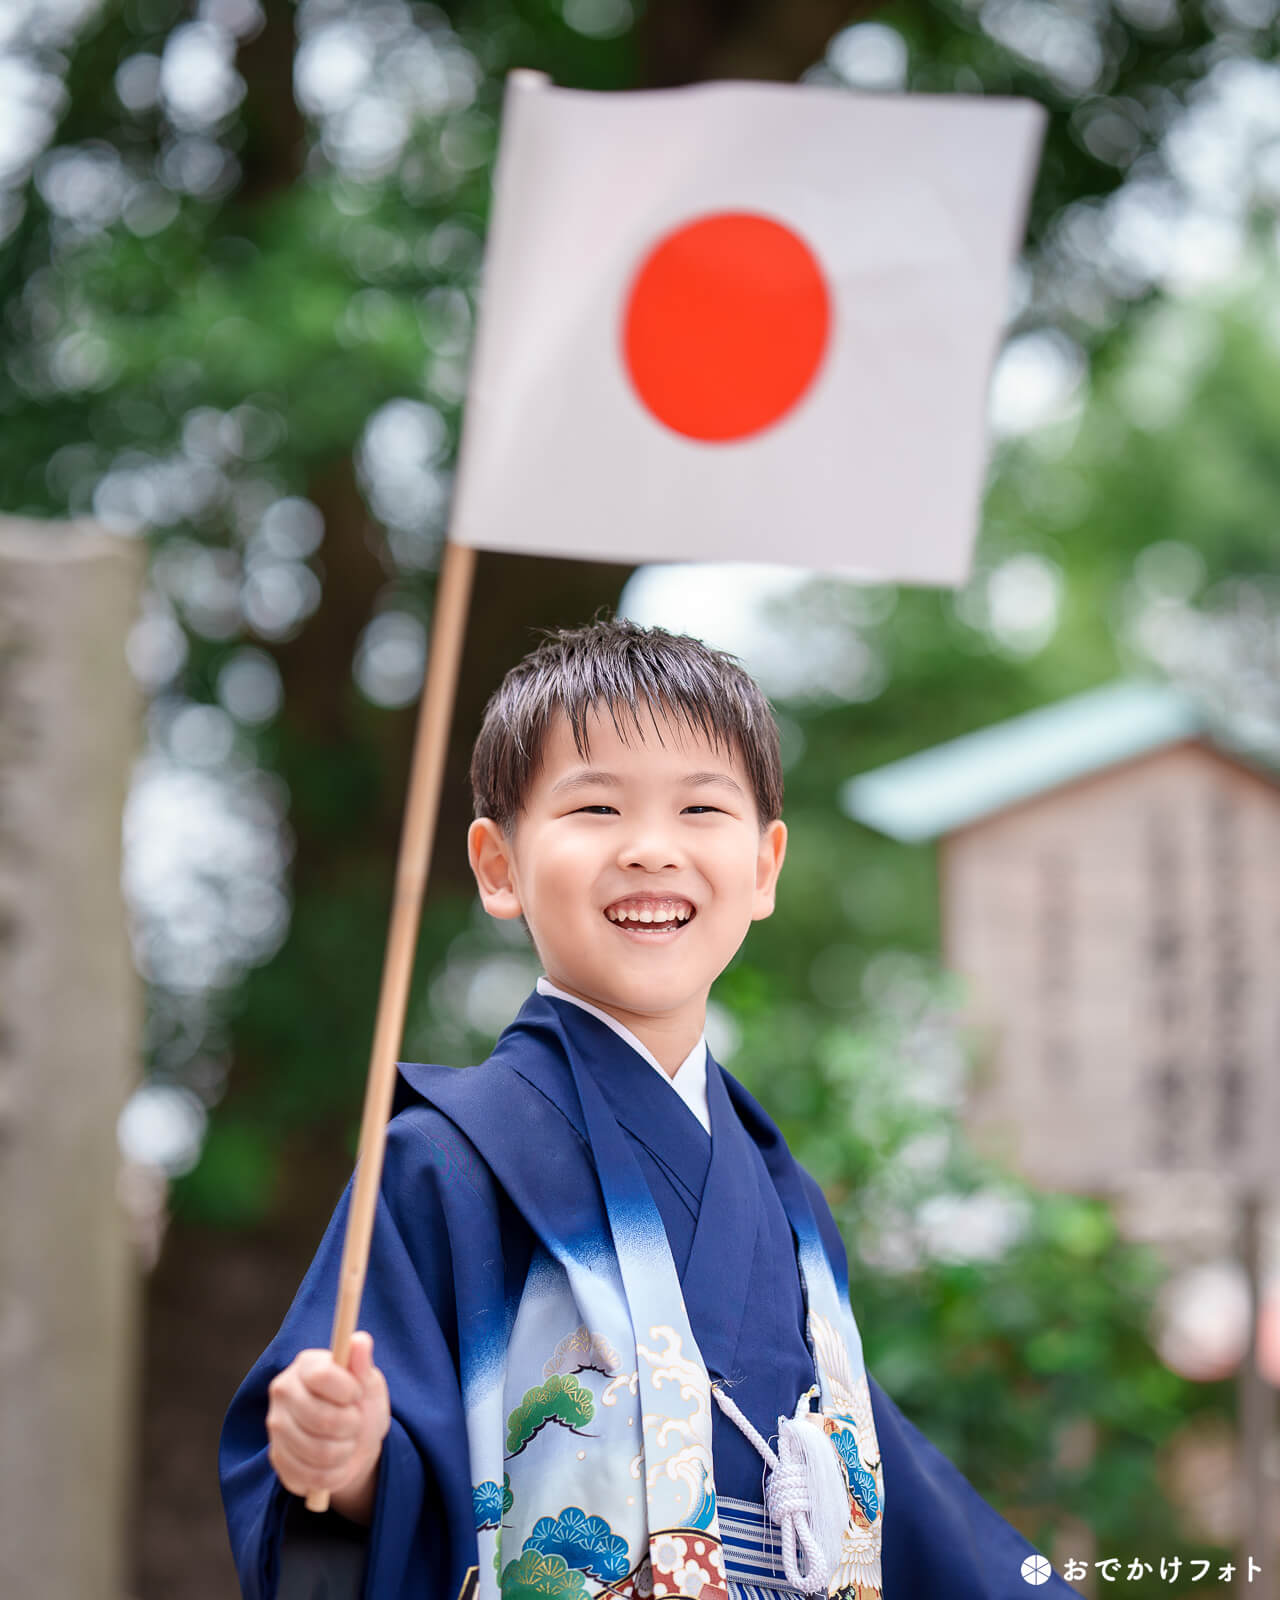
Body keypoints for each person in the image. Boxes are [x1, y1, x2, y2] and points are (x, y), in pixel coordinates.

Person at [220, 619, 1082, 1600]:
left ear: (764, 864)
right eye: (593, 806)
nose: (648, 849)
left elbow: (902, 1500)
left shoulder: (784, 1199)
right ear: (497, 864)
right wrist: (345, 1461)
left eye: (699, 809)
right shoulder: (443, 1163)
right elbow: (370, 1479)